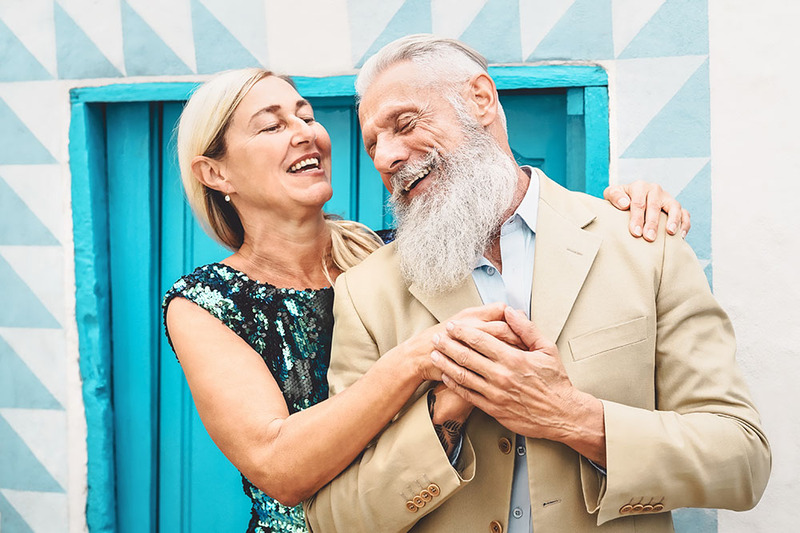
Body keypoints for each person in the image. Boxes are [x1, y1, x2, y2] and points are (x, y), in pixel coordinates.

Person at [162, 68, 691, 532]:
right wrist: (421, 356)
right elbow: (279, 468)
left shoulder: (404, 255)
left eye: (305, 115)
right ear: (215, 173)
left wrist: (633, 207)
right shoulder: (206, 303)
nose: (305, 134)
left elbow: (525, 233)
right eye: (273, 125)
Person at [303, 36, 771, 533]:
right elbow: (334, 519)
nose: (386, 158)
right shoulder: (364, 293)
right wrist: (443, 420)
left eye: (405, 123)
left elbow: (741, 462)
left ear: (480, 99)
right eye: (373, 144)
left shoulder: (645, 245)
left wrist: (572, 417)